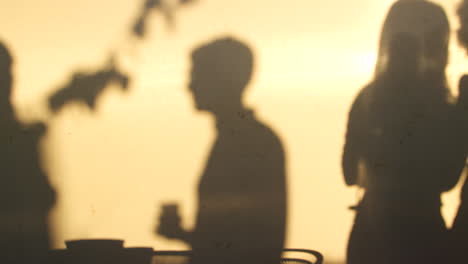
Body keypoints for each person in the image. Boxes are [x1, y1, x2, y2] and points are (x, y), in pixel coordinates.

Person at [342, 1, 466, 263]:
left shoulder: (367, 98)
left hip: (369, 234)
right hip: (422, 234)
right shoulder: (441, 106)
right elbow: (447, 179)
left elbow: (349, 173)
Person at [156, 37, 287, 264]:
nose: (189, 85)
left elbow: (247, 242)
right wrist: (183, 235)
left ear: (223, 80)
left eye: (197, 75)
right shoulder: (247, 138)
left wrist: (183, 235)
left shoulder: (250, 141)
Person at [0, 41, 56, 263]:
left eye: (9, 73)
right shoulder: (19, 136)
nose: (11, 81)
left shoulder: (22, 133)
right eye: (4, 73)